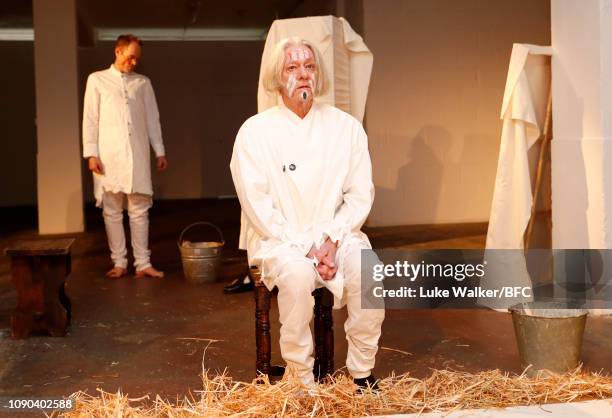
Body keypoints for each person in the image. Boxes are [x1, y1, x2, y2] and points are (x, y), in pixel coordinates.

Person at [230, 37, 385, 389]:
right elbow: (257, 205)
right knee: (298, 275)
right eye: (292, 67)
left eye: (310, 67)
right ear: (276, 76)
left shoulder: (346, 128)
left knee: (370, 270)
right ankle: (300, 377)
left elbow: (360, 195)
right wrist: (307, 247)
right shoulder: (255, 132)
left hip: (337, 235)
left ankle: (362, 372)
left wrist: (331, 239)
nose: (303, 74)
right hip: (280, 240)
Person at [82, 34, 167, 279]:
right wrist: (91, 153)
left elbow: (153, 119)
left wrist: (159, 150)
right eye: (130, 57)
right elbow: (90, 119)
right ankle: (119, 262)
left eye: (137, 59)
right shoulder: (97, 80)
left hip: (137, 153)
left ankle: (143, 263)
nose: (134, 63)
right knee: (112, 210)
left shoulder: (143, 83)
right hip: (109, 155)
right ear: (117, 52)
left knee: (139, 209)